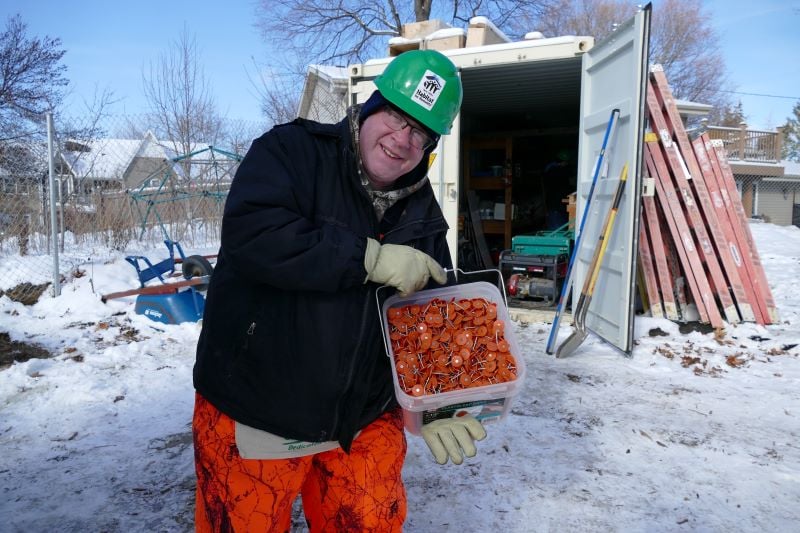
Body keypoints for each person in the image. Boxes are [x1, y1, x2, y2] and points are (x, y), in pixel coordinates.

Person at [192, 49, 487, 532]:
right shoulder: (292, 152)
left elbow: (427, 321)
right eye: (395, 116)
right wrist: (367, 258)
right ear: (370, 106)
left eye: (420, 131)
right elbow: (254, 235)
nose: (401, 139)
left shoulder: (425, 215)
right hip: (254, 407)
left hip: (361, 419)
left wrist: (434, 403)